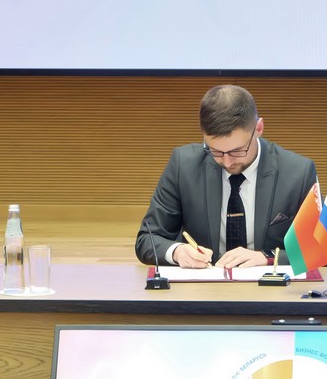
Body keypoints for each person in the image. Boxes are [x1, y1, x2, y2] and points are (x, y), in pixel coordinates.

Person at [136, 85, 317, 269]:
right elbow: (147, 239)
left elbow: (319, 248)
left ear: (259, 128)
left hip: (268, 282)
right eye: (215, 151)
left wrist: (267, 257)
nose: (227, 162)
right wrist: (177, 252)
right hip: (203, 282)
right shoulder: (183, 165)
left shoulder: (299, 172)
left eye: (237, 151)